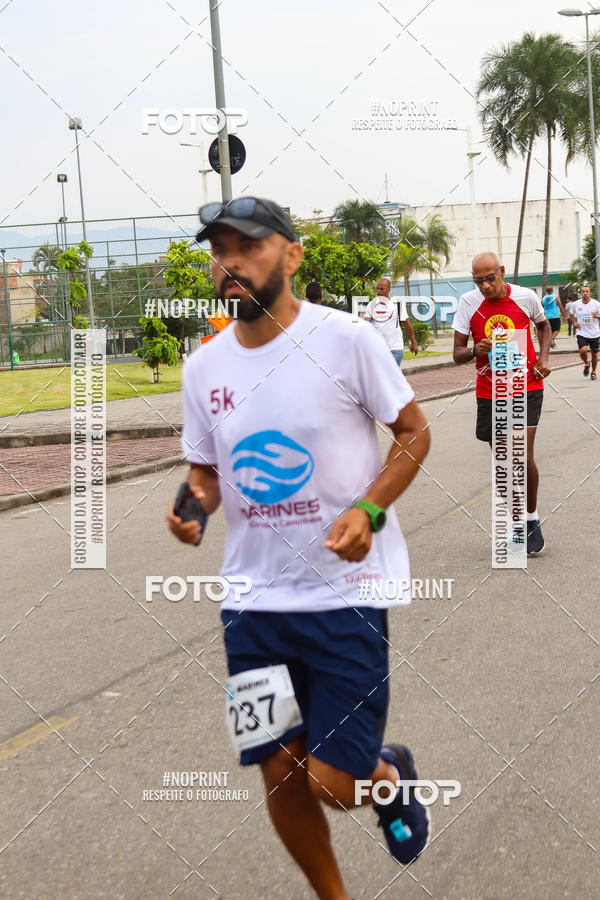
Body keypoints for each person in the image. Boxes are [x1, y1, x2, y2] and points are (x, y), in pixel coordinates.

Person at [167, 197, 432, 900]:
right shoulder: (204, 369)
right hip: (251, 604)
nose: (229, 263)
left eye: (246, 246)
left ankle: (384, 774)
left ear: (291, 255)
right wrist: (191, 504)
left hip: (345, 596)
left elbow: (413, 432)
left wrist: (369, 510)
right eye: (219, 250)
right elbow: (206, 469)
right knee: (276, 768)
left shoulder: (346, 340)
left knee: (332, 785)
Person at [452, 252, 551, 556]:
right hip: (489, 391)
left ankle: (532, 519)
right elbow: (457, 353)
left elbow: (544, 327)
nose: (484, 286)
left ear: (502, 272)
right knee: (504, 463)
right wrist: (474, 351)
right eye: (478, 280)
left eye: (489, 278)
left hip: (526, 386)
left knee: (520, 455)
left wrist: (544, 359)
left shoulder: (525, 297)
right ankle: (519, 522)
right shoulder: (468, 303)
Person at [364, 277, 419, 366]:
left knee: (391, 377)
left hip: (395, 348)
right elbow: (365, 325)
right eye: (377, 288)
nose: (378, 291)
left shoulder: (397, 304)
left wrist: (413, 342)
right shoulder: (372, 304)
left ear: (389, 290)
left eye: (382, 289)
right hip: (378, 349)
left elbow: (407, 324)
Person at [570, 284, 600, 380]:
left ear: (590, 293)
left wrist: (597, 316)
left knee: (594, 354)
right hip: (582, 332)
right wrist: (574, 322)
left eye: (587, 291)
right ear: (581, 294)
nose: (585, 293)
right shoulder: (576, 304)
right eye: (583, 292)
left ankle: (594, 371)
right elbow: (571, 314)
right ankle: (586, 363)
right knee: (582, 350)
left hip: (594, 333)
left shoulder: (596, 304)